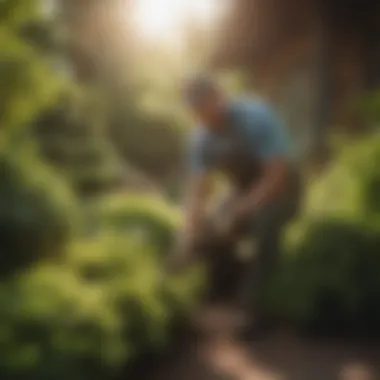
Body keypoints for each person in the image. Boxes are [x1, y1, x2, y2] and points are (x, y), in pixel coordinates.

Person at [171, 74, 302, 339]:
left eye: (205, 105)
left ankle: (254, 310)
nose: (202, 115)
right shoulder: (200, 139)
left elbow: (276, 178)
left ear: (219, 97)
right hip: (242, 189)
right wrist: (189, 231)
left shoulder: (256, 117)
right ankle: (218, 297)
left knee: (263, 224)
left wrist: (241, 211)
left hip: (283, 187)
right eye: (195, 110)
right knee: (208, 230)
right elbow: (198, 192)